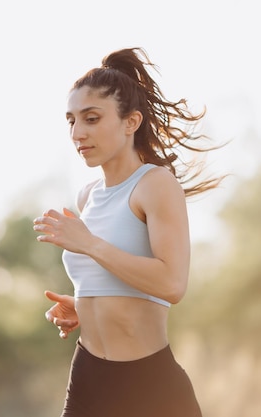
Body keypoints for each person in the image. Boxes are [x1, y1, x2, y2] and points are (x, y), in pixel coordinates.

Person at [33, 47, 223, 417]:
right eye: (71, 121)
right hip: (88, 377)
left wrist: (88, 243)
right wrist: (87, 310)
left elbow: (171, 283)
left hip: (149, 387)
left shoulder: (156, 185)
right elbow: (114, 283)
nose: (77, 133)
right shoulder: (87, 195)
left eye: (91, 119)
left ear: (130, 122)